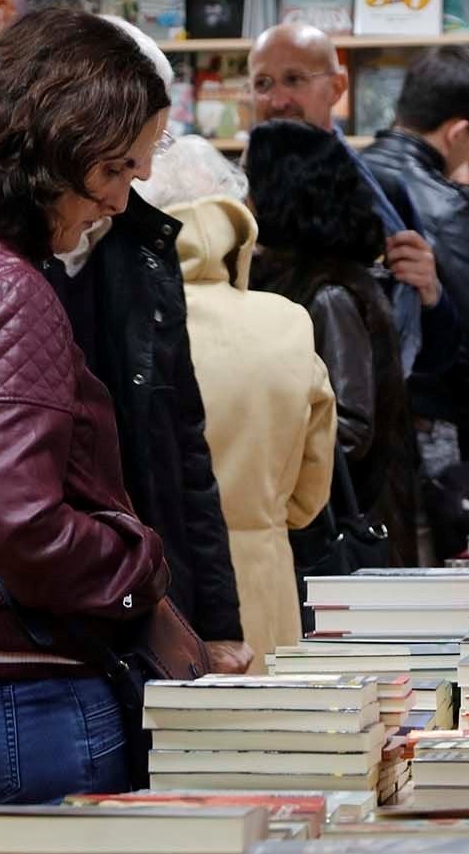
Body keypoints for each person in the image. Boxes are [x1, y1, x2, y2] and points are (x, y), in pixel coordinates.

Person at [0, 10, 174, 854]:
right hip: (28, 697)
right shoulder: (8, 287)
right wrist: (139, 563)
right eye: (112, 168)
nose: (120, 199)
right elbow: (23, 525)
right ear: (50, 146)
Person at [42, 19, 253, 674]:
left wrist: (214, 625)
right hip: (32, 625)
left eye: (148, 152)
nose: (135, 177)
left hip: (151, 602)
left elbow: (185, 451)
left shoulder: (144, 252)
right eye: (122, 157)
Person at [141, 136, 337, 671]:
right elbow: (309, 499)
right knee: (272, 748)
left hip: (161, 601)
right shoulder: (289, 322)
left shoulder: (127, 330)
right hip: (266, 590)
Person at [360, 47, 469, 558]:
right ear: (458, 131)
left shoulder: (351, 174)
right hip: (435, 432)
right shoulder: (444, 202)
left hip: (359, 430)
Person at [246, 120, 421, 566]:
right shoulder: (310, 281)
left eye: (247, 178)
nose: (238, 196)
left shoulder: (328, 294)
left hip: (338, 538)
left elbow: (351, 429)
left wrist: (264, 454)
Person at [248, 22, 454, 378]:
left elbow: (441, 356)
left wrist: (430, 292)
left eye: (294, 79)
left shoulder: (384, 192)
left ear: (337, 86)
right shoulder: (231, 199)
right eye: (262, 84)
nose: (278, 100)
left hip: (376, 414)